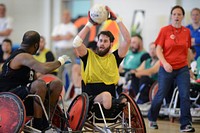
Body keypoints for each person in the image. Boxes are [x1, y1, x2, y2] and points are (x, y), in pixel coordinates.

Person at [0, 30, 71, 131]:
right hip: (9, 97)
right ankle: (38, 124)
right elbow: (43, 68)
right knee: (40, 85)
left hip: (25, 95)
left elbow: (35, 80)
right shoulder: (22, 56)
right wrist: (61, 61)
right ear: (36, 45)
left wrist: (47, 92)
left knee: (57, 84)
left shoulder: (28, 59)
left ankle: (47, 120)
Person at [147, 5, 195, 132]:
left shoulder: (187, 32)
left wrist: (189, 68)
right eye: (174, 14)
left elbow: (188, 51)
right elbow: (158, 49)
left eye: (179, 14)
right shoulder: (164, 30)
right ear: (171, 16)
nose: (176, 16)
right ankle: (152, 118)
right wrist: (165, 63)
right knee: (161, 93)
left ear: (183, 17)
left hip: (182, 68)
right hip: (166, 68)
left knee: (185, 95)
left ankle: (185, 124)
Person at [73, 6, 131, 110]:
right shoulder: (88, 55)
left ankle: (113, 102)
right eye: (100, 40)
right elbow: (76, 43)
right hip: (90, 98)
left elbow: (127, 40)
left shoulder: (114, 57)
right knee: (106, 96)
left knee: (111, 96)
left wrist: (117, 20)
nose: (102, 44)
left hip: (110, 96)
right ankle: (113, 102)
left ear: (111, 44)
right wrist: (89, 23)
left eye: (105, 41)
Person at [52, 9, 78, 84]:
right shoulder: (57, 27)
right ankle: (59, 92)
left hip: (68, 52)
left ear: (69, 17)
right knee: (58, 72)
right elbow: (54, 38)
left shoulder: (72, 27)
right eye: (64, 15)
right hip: (58, 51)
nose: (65, 17)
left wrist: (59, 36)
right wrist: (64, 36)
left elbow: (69, 37)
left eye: (67, 15)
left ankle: (72, 93)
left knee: (70, 72)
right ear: (62, 16)